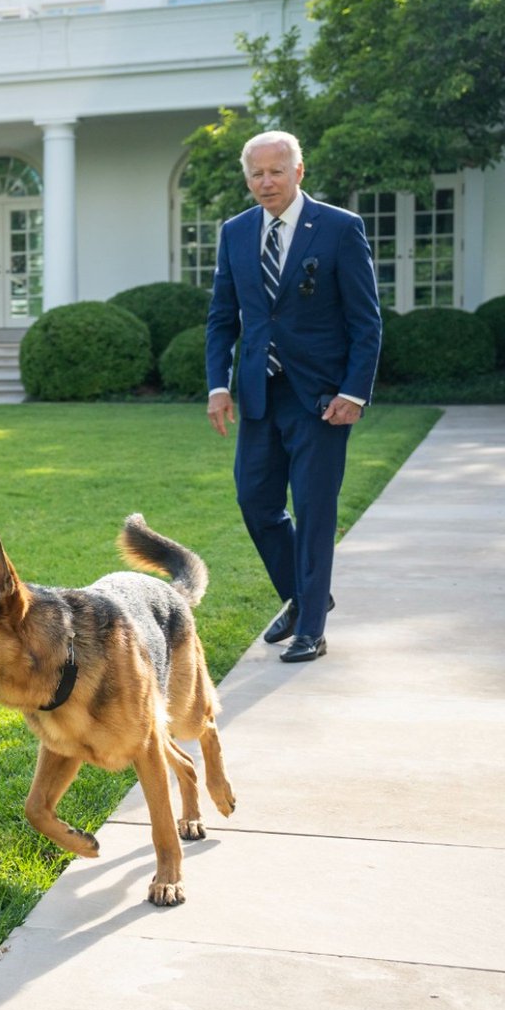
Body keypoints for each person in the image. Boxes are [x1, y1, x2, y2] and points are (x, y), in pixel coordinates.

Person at [205, 131, 382, 662]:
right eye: (256, 173)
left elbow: (366, 321)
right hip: (260, 394)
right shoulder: (235, 232)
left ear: (298, 171)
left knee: (313, 509)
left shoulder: (339, 228)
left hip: (322, 400)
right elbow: (221, 318)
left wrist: (354, 392)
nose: (265, 182)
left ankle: (311, 628)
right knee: (255, 502)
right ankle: (308, 597)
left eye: (276, 171)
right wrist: (219, 385)